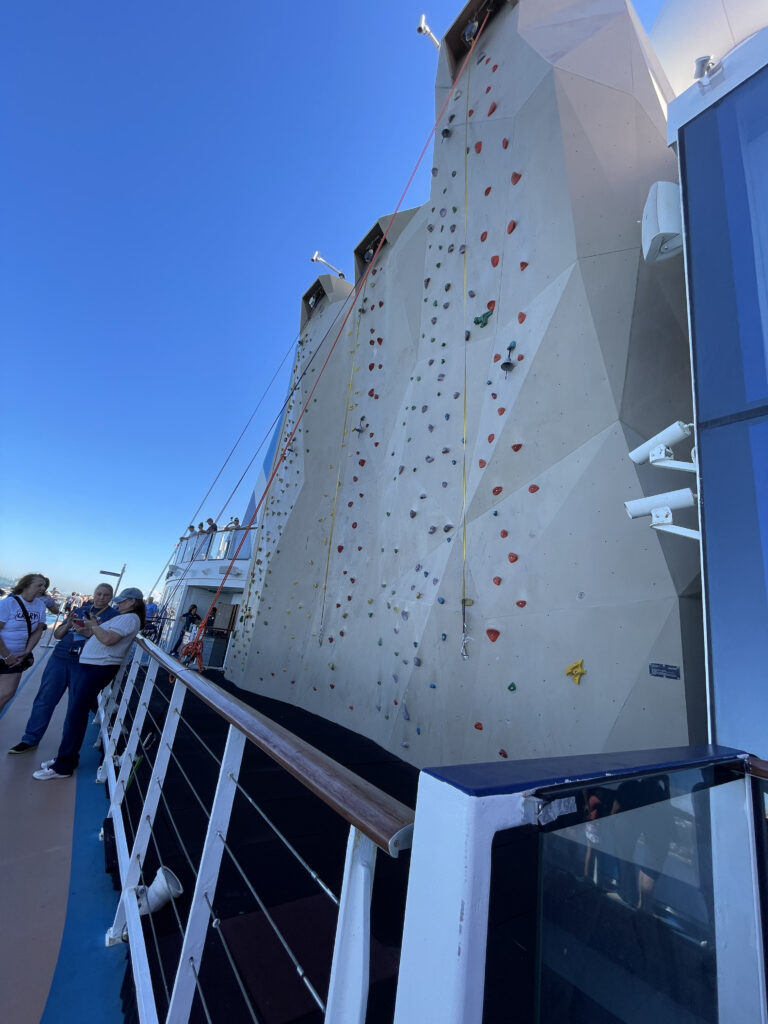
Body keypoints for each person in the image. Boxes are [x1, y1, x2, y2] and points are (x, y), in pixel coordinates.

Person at [33, 588, 145, 780]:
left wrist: (93, 626)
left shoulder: (129, 618)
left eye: (122, 601)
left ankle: (64, 765)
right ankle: (66, 758)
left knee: (76, 715)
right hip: (93, 667)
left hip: (98, 668)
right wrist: (88, 630)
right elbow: (103, 637)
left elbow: (109, 640)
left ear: (133, 602)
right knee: (76, 714)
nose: (118, 604)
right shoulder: (124, 617)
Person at [8, 583, 118, 753]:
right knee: (44, 700)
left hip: (85, 664)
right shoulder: (81, 609)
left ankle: (65, 751)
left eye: (106, 595)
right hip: (60, 659)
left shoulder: (114, 616)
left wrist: (89, 631)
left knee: (75, 708)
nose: (101, 597)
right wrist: (68, 625)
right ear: (94, 594)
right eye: (99, 594)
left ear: (111, 598)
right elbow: (58, 635)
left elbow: (109, 641)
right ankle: (30, 739)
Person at [0, 574, 49, 713]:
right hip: (4, 654)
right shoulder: (8, 604)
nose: (43, 588)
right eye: (39, 585)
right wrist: (6, 655)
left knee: (6, 694)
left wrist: (27, 651)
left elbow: (38, 630)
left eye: (44, 585)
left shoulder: (40, 605)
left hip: (17, 658)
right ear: (26, 585)